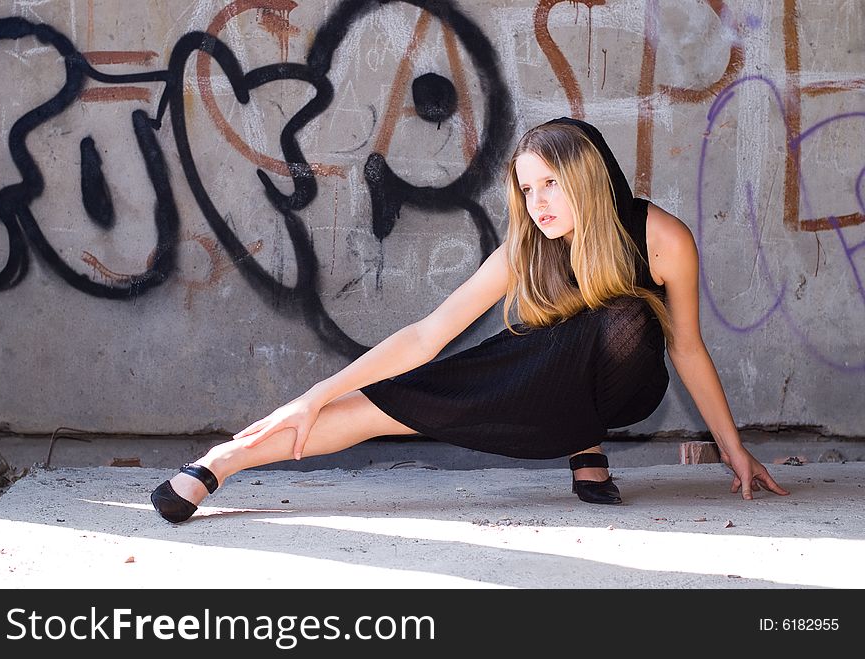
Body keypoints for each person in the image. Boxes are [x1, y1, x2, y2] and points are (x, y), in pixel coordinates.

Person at [151, 117, 789, 524]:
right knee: (400, 400)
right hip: (545, 376)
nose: (537, 203)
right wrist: (313, 397)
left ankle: (584, 436)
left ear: (588, 181)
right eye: (526, 188)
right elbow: (428, 335)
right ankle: (225, 462)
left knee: (621, 315)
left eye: (551, 185)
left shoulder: (660, 238)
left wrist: (732, 450)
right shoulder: (526, 246)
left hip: (627, 385)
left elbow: (687, 347)